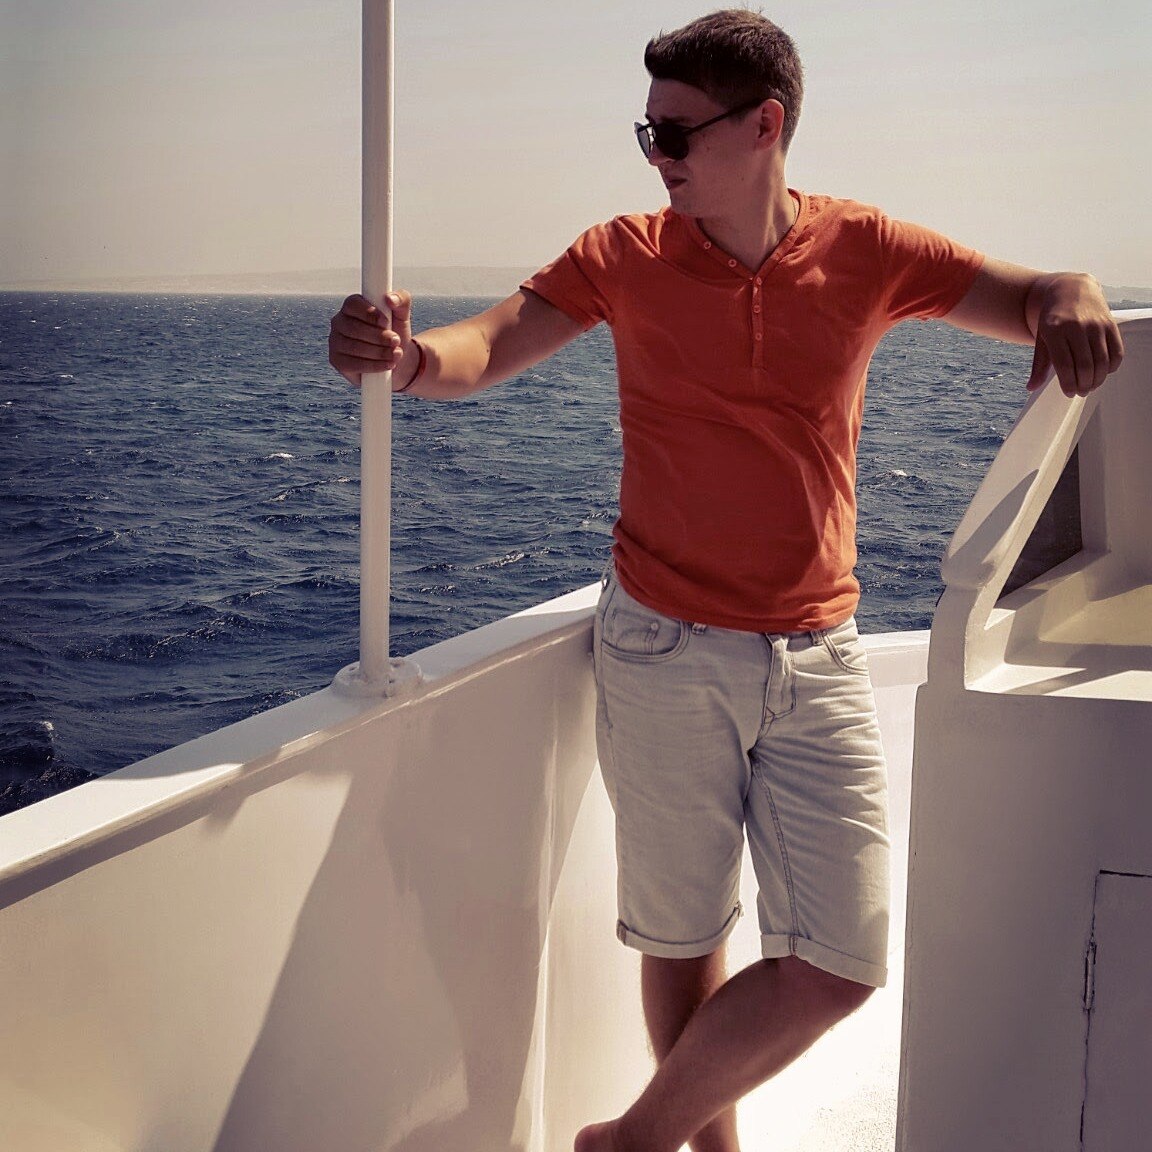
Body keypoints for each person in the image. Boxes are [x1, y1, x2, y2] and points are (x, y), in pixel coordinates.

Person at [329, 11, 1124, 1151]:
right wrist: (405, 359)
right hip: (661, 644)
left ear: (765, 125)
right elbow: (491, 343)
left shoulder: (866, 249)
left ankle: (631, 1140)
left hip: (817, 650)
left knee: (843, 962)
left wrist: (1072, 287)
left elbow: (1030, 294)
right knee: (683, 933)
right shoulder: (625, 254)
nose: (655, 157)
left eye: (675, 134)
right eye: (646, 133)